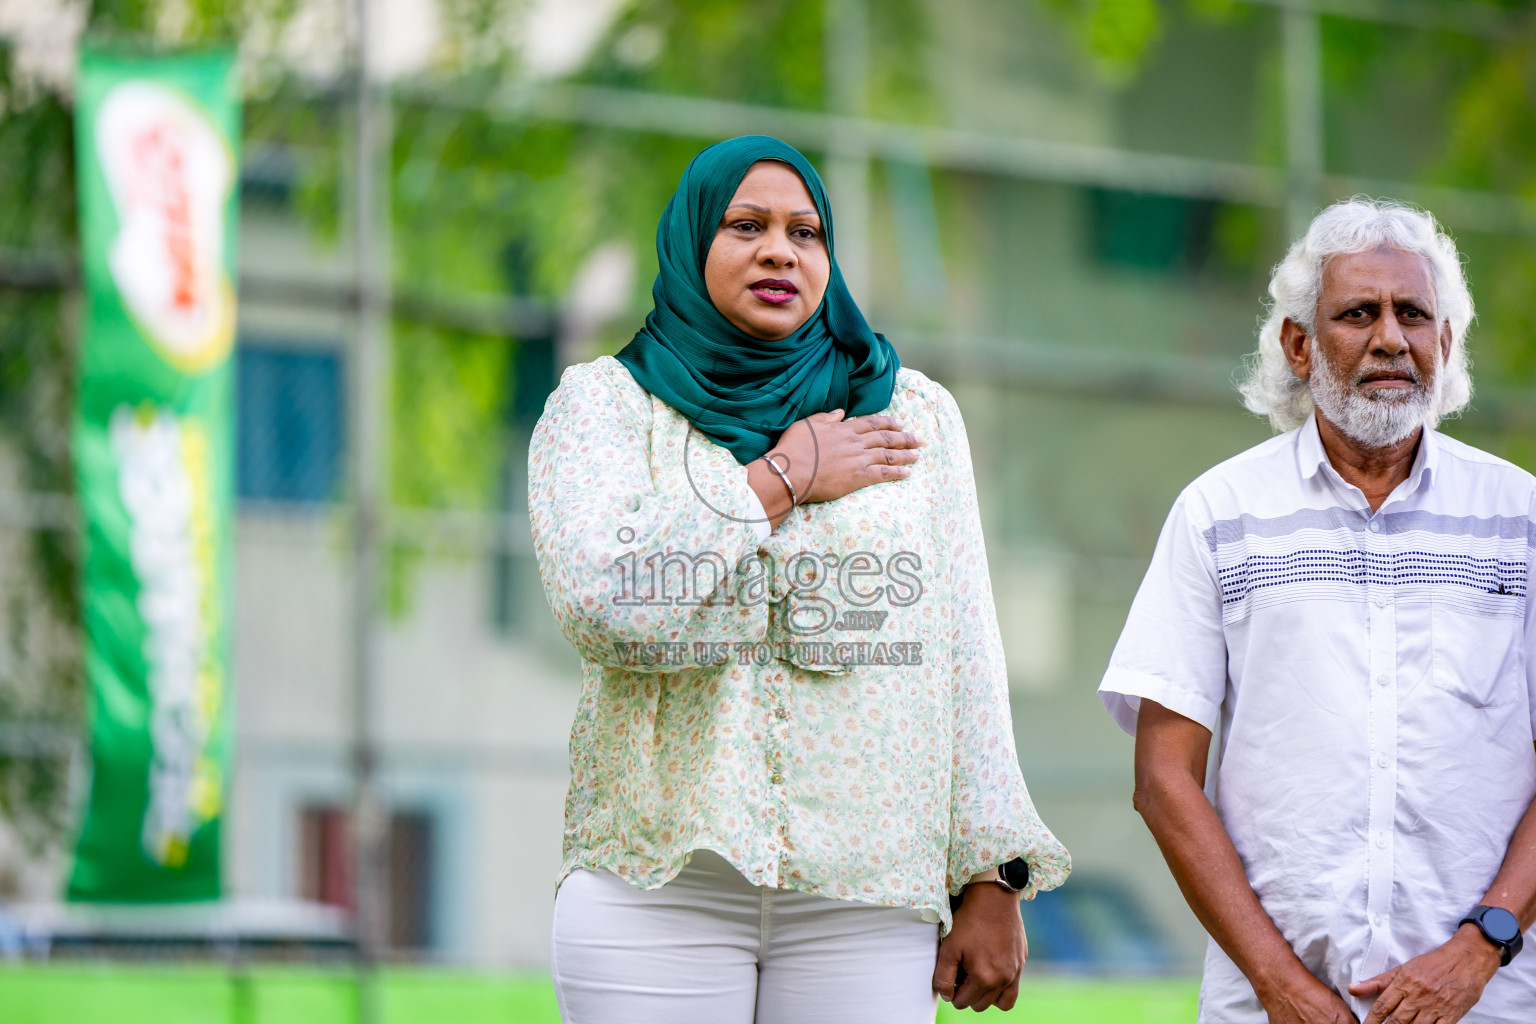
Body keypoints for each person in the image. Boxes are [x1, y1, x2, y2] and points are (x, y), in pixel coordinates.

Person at [528, 135, 1069, 1023]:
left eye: (806, 231)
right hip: (658, 884)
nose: (780, 249)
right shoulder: (606, 408)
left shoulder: (913, 414)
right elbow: (606, 607)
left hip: (866, 896)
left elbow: (965, 649)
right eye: (746, 226)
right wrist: (780, 477)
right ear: (691, 241)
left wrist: (993, 872)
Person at [1099, 197, 1536, 1024]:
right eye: (1358, 313)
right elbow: (1163, 780)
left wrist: (1481, 948)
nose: (1390, 338)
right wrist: (1280, 986)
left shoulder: (1520, 519)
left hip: (1487, 1002)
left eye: (1414, 314)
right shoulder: (1218, 513)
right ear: (1299, 345)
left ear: (1444, 344)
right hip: (1266, 1008)